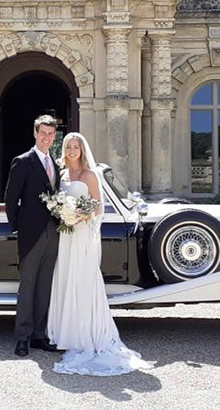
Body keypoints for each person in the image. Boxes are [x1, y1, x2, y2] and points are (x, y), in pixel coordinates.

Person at [47, 132, 152, 376]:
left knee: (82, 280)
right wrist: (64, 214)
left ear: (83, 150)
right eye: (69, 146)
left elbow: (97, 206)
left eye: (76, 147)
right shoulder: (61, 174)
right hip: (64, 235)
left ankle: (86, 334)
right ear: (64, 150)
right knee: (65, 279)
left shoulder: (89, 175)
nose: (72, 150)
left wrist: (77, 216)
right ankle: (66, 333)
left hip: (81, 233)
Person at [4, 115, 62, 357]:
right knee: (27, 286)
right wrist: (18, 227)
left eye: (51, 134)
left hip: (54, 231)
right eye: (43, 133)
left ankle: (39, 335)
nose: (47, 138)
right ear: (35, 134)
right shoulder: (23, 161)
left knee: (45, 285)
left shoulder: (56, 165)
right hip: (30, 234)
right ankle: (22, 338)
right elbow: (10, 199)